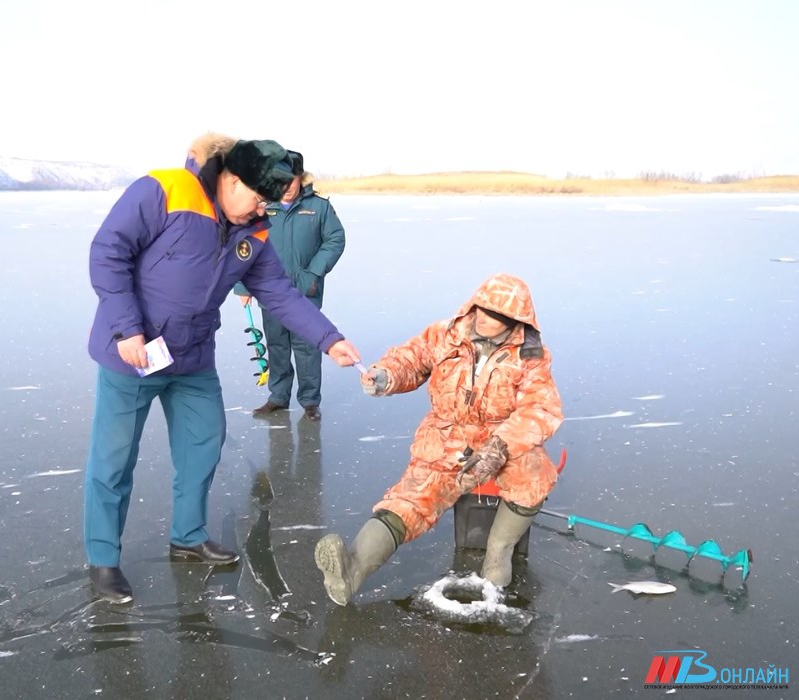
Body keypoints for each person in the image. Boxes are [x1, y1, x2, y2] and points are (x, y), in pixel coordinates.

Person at [84, 134, 362, 604]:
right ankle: (103, 560)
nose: (261, 211)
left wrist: (328, 339)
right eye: (257, 198)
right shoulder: (164, 190)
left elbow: (280, 294)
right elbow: (108, 253)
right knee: (113, 461)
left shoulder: (251, 231)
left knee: (203, 446)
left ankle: (188, 536)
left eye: (268, 203)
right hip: (132, 355)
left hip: (191, 359)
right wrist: (127, 329)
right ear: (231, 180)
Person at [314, 272, 563, 605]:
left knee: (534, 473)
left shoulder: (531, 355)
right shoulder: (444, 335)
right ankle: (352, 569)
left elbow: (539, 408)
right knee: (408, 500)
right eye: (483, 309)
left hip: (501, 438)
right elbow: (410, 360)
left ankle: (497, 554)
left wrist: (497, 449)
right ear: (474, 305)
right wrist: (385, 375)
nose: (487, 319)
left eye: (499, 315)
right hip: (447, 437)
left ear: (516, 320)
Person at [235, 150, 346, 421]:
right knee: (276, 344)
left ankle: (310, 401)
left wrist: (312, 274)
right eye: (280, 182)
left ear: (300, 177)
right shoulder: (262, 206)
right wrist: (243, 286)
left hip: (305, 291)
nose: (286, 189)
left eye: (291, 182)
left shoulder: (318, 207)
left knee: (308, 346)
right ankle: (278, 397)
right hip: (269, 291)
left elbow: (335, 239)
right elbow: (245, 244)